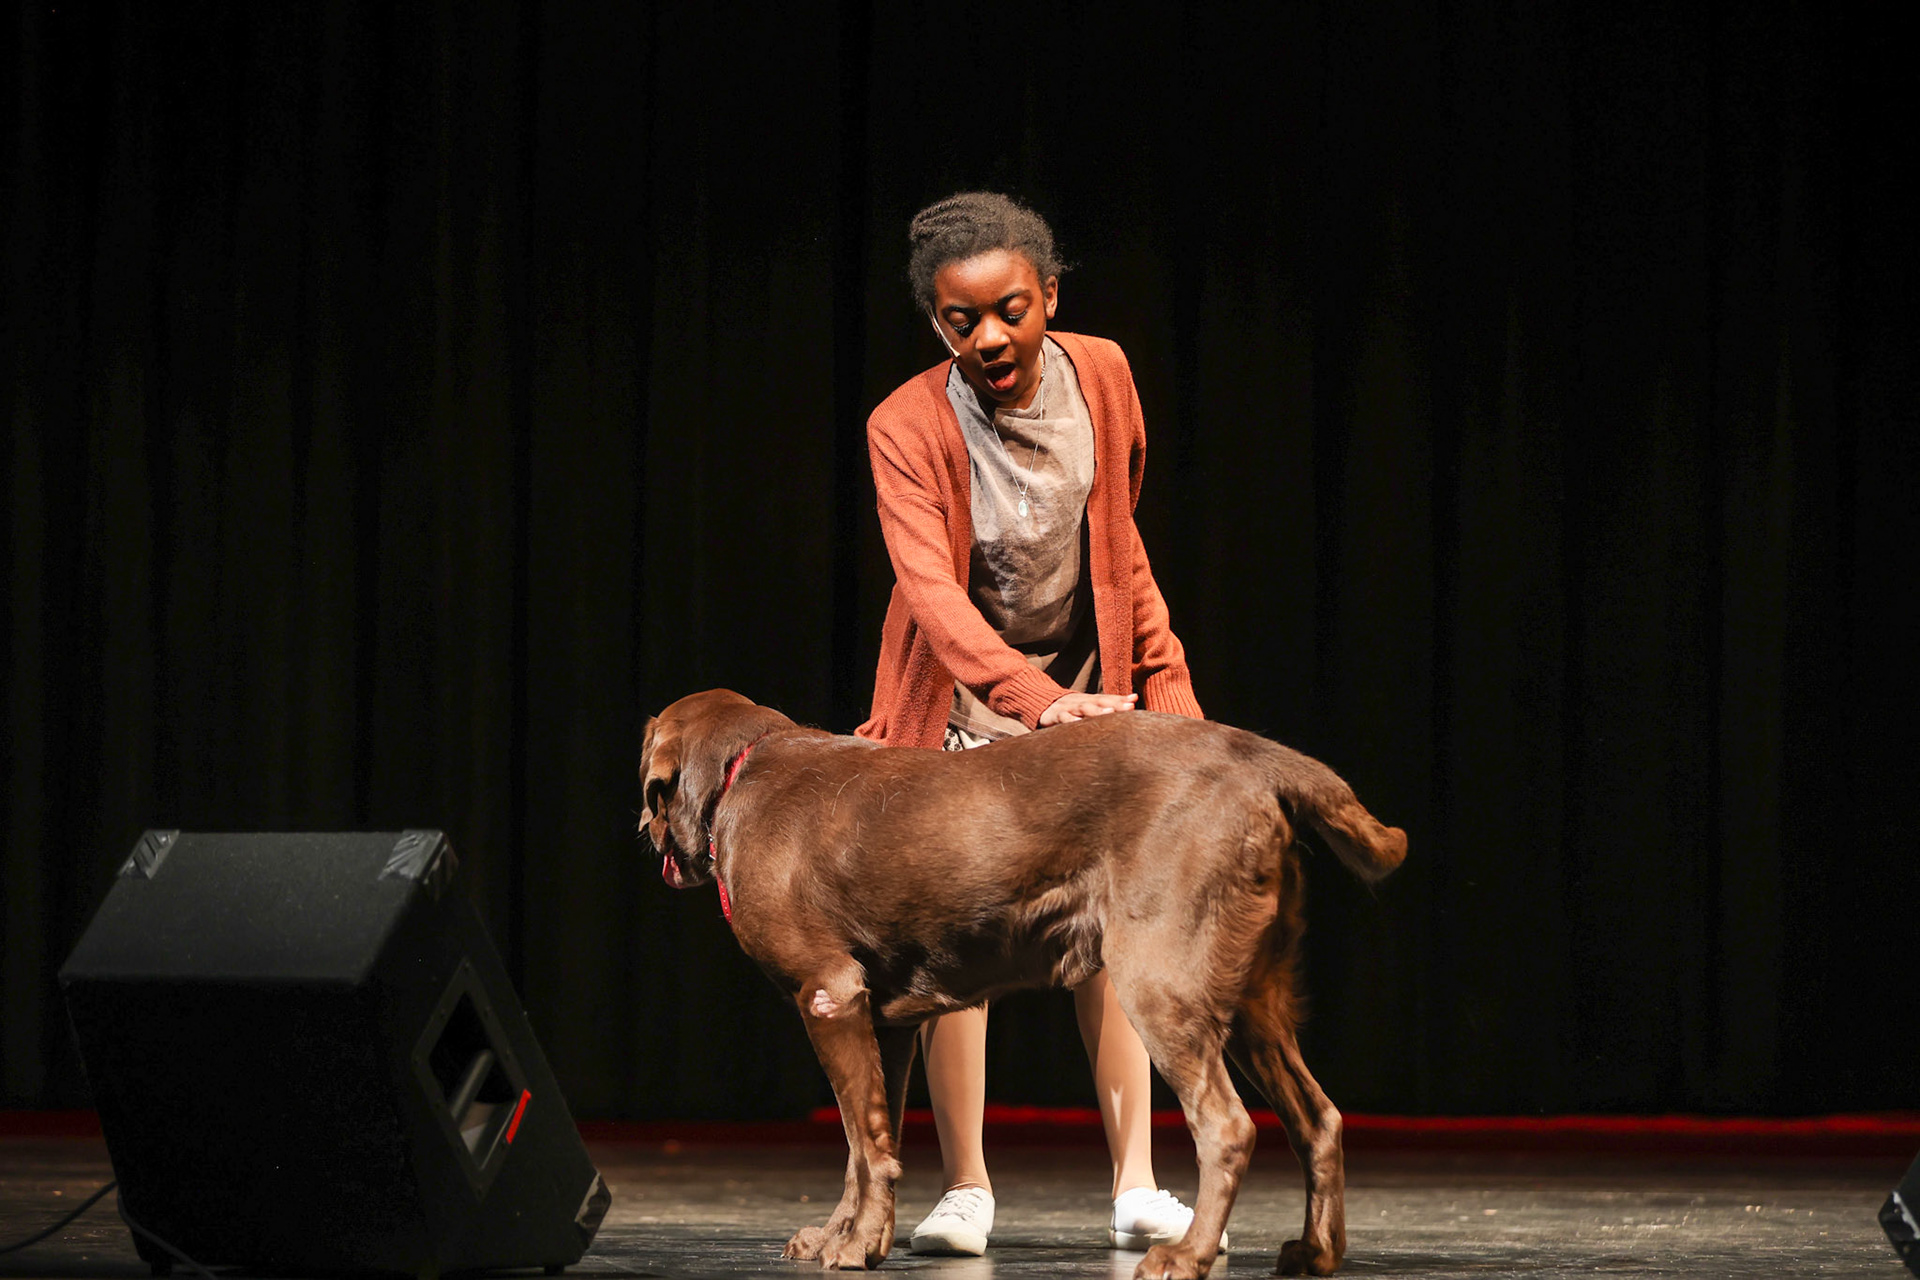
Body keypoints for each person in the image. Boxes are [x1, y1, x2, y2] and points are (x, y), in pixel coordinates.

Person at [856, 191, 1216, 1257]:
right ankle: (966, 1185)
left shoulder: (1101, 371)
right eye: (961, 321)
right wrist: (1032, 699)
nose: (990, 337)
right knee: (956, 937)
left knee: (1105, 923)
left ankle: (1138, 1182)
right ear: (936, 324)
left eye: (1011, 309)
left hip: (1089, 683)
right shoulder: (905, 424)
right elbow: (935, 599)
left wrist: (1166, 684)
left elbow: (1119, 538)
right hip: (960, 695)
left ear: (1049, 294)